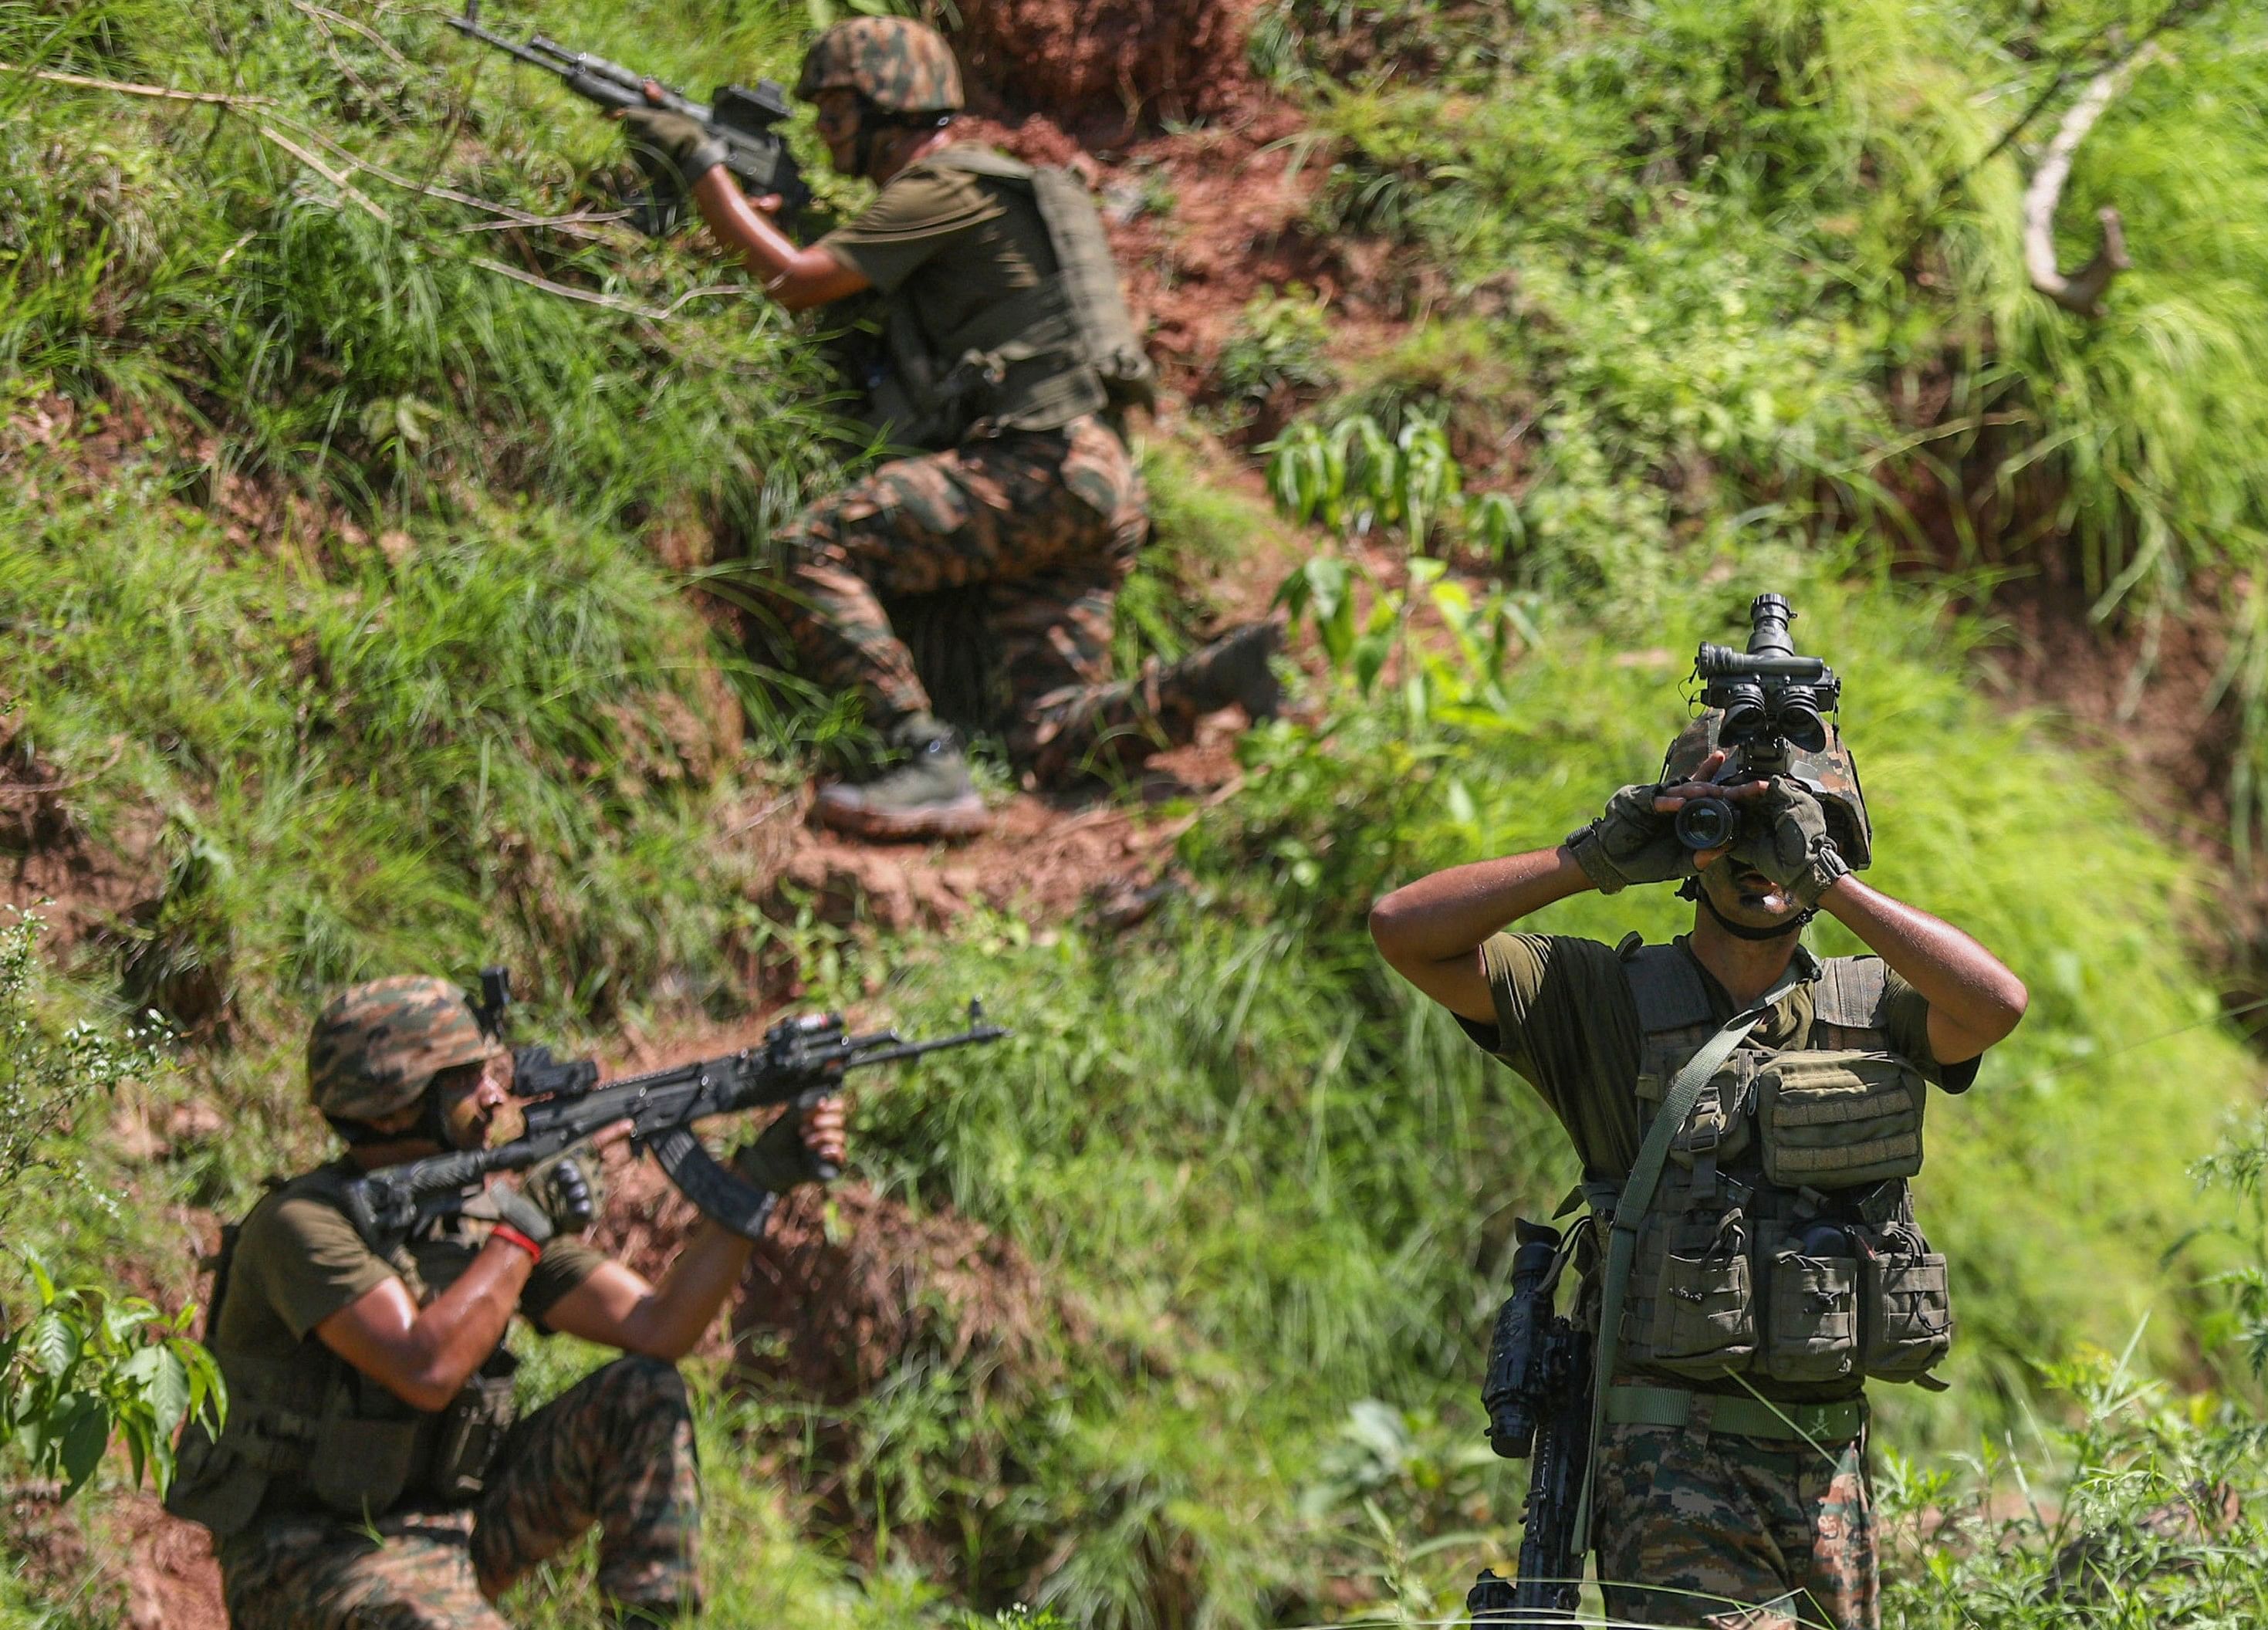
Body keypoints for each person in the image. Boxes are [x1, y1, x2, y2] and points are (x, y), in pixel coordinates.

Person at [1368, 722, 2028, 1628]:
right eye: (1735, 830)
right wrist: (1592, 858)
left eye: (1791, 828)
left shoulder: (1870, 1004)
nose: (1760, 861)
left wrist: (1829, 882)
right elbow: (1404, 931)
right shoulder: (1599, 999)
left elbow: (1995, 1005)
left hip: (1830, 1465)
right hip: (1670, 1468)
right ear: (1688, 843)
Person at [619, 17, 1279, 841]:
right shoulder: (992, 186)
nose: (825, 136)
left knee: (812, 551)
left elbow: (792, 281)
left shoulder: (940, 187)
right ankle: (1228, 671)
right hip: (1096, 482)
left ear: (886, 107)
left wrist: (698, 163)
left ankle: (920, 755)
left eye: (834, 114)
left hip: (1034, 468)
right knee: (1047, 739)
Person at [165, 976, 847, 1630]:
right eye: (465, 1078)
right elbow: (424, 1369)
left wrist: (756, 1185)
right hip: (304, 1555)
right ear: (396, 1098)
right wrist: (523, 1227)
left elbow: (658, 1328)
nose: (496, 1096)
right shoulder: (302, 1226)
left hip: (452, 1530)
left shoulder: (481, 1217)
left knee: (643, 1392)